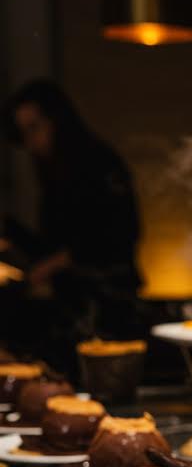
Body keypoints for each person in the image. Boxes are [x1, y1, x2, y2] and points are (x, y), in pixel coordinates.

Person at [3, 79, 141, 343]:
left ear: (57, 120)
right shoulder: (53, 173)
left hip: (108, 301)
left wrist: (57, 262)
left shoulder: (98, 163)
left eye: (34, 128)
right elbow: (50, 244)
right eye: (24, 133)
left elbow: (123, 232)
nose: (31, 142)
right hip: (70, 302)